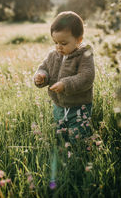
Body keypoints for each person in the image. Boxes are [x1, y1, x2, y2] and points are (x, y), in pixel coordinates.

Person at [34, 11, 95, 144]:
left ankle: (79, 155)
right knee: (61, 134)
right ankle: (63, 151)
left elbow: (86, 77)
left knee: (78, 136)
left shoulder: (84, 55)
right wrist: (42, 76)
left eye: (63, 43)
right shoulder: (53, 55)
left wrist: (65, 84)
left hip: (79, 106)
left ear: (79, 40)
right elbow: (44, 68)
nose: (58, 47)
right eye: (55, 42)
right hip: (59, 105)